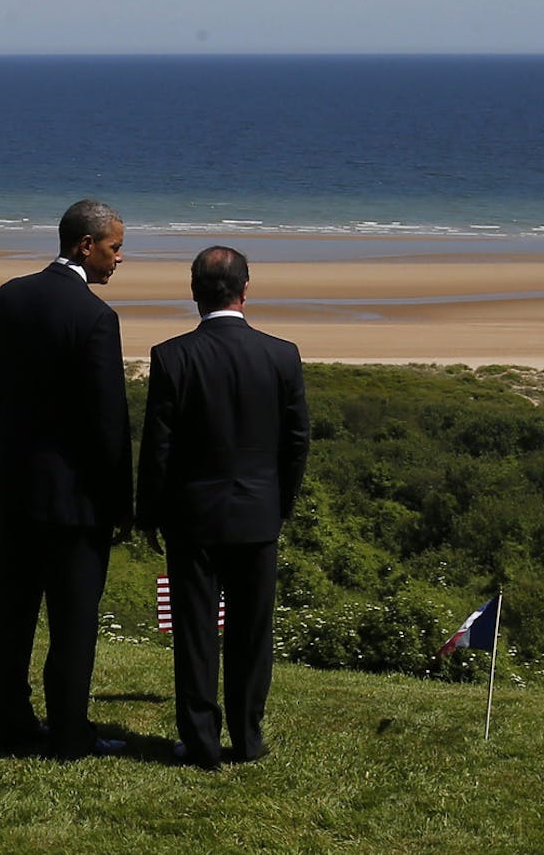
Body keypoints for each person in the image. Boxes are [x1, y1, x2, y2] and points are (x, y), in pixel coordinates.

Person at [137, 245, 309, 769]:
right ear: (246, 288)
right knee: (252, 633)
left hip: (193, 516)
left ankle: (201, 740)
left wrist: (149, 513)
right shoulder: (282, 354)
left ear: (194, 291)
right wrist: (281, 504)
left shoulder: (172, 356)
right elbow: (297, 439)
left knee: (195, 634)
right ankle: (248, 737)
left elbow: (157, 447)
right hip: (258, 515)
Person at [0, 199, 133, 760]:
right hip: (77, 502)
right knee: (73, 624)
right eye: (115, 247)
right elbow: (108, 422)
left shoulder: (10, 296)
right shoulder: (96, 318)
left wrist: (9, 457)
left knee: (14, 615)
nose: (120, 259)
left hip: (19, 488)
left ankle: (13, 725)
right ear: (84, 246)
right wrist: (121, 502)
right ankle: (69, 731)